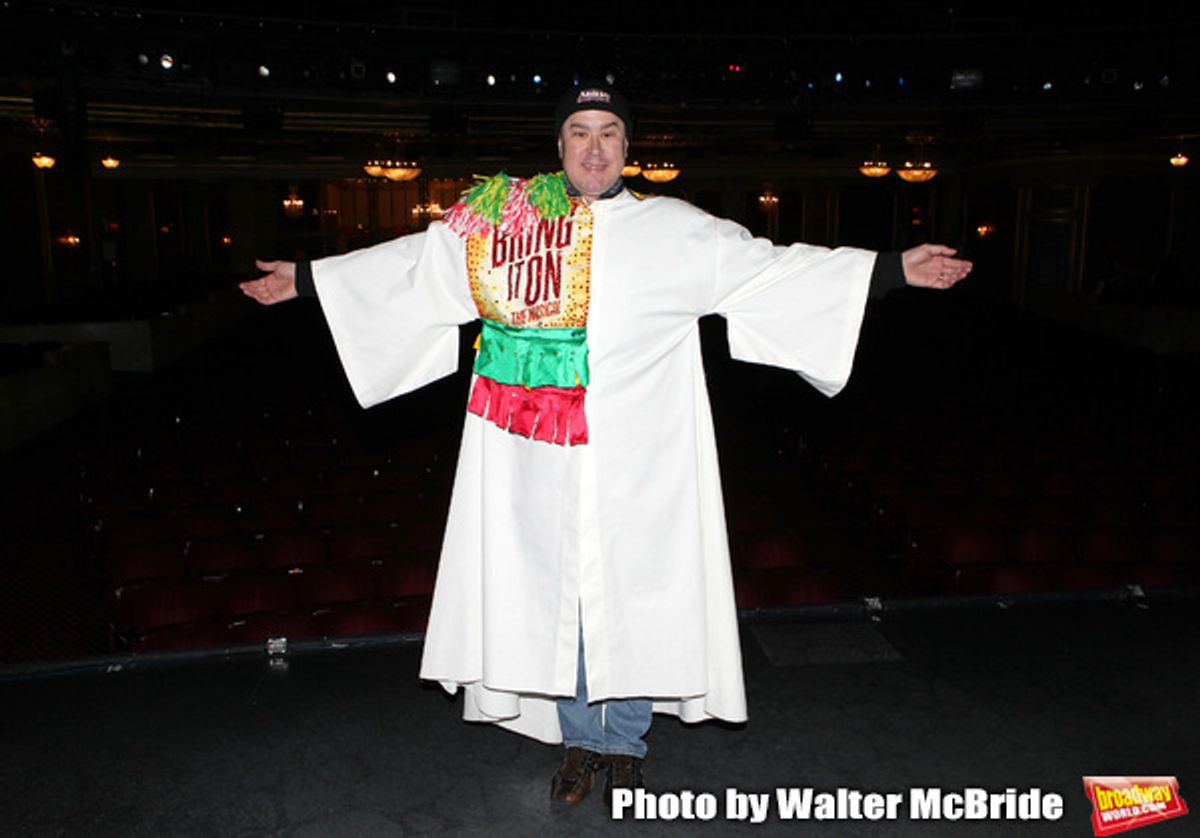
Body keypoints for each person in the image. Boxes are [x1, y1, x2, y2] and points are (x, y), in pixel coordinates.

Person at [240, 82, 971, 806]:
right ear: (559, 146)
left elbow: (776, 270)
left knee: (636, 598)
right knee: (557, 601)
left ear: (629, 147)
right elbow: (416, 268)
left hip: (644, 460)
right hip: (534, 455)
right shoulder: (508, 224)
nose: (595, 146)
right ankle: (580, 742)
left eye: (609, 133)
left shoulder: (679, 230)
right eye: (580, 132)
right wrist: (307, 280)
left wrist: (893, 270)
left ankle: (621, 742)